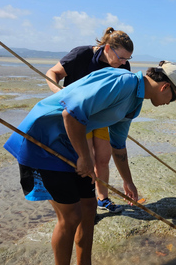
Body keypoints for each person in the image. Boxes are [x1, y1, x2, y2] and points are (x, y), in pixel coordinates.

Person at [4, 61, 176, 265]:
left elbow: (118, 145)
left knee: (89, 209)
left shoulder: (134, 104)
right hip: (43, 140)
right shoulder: (124, 82)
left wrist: (127, 182)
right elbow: (70, 113)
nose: (170, 104)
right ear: (165, 87)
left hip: (69, 145)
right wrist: (84, 157)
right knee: (70, 217)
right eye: (174, 99)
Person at [46, 27, 134, 213]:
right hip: (76, 117)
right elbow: (52, 73)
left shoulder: (123, 66)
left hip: (101, 118)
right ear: (108, 48)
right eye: (121, 57)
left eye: (128, 59)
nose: (124, 63)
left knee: (102, 159)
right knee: (87, 159)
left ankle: (103, 199)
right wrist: (61, 93)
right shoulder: (81, 54)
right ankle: (88, 202)